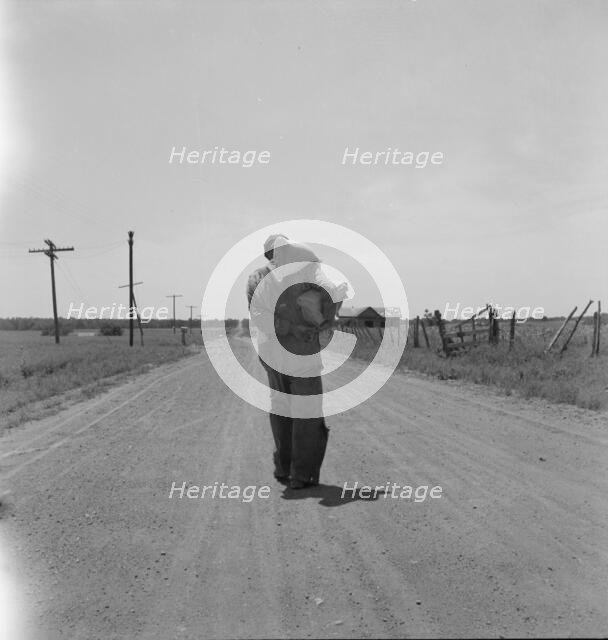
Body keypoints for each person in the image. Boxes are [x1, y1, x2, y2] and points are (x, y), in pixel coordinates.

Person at [247, 237, 346, 489]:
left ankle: (284, 467)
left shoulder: (256, 279)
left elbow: (260, 317)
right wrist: (307, 328)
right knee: (307, 413)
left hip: (272, 355)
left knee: (281, 409)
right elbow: (331, 296)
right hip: (302, 356)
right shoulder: (305, 270)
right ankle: (301, 474)